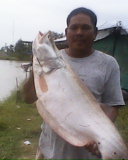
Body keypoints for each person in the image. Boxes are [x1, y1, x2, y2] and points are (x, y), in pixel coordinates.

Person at [24, 7, 125, 159]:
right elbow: (28, 98)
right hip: (51, 149)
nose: (79, 32)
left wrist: (100, 137)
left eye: (85, 28)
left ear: (95, 33)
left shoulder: (109, 64)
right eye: (74, 28)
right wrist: (37, 68)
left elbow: (112, 105)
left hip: (86, 152)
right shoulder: (53, 62)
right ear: (66, 32)